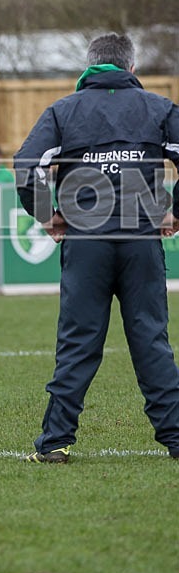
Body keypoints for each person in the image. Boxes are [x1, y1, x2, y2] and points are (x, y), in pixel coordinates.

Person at [14, 32, 179, 463]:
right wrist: (176, 212)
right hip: (141, 240)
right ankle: (178, 437)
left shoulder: (64, 110)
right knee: (151, 341)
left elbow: (26, 165)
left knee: (78, 343)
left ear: (89, 66)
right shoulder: (159, 108)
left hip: (87, 243)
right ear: (131, 68)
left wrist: (47, 214)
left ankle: (55, 442)